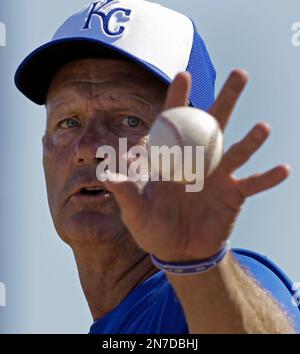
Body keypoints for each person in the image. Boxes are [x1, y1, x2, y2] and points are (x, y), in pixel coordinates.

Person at [15, 0, 300, 334]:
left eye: (128, 120)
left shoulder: (214, 290)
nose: (88, 148)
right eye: (68, 122)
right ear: (44, 147)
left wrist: (200, 267)